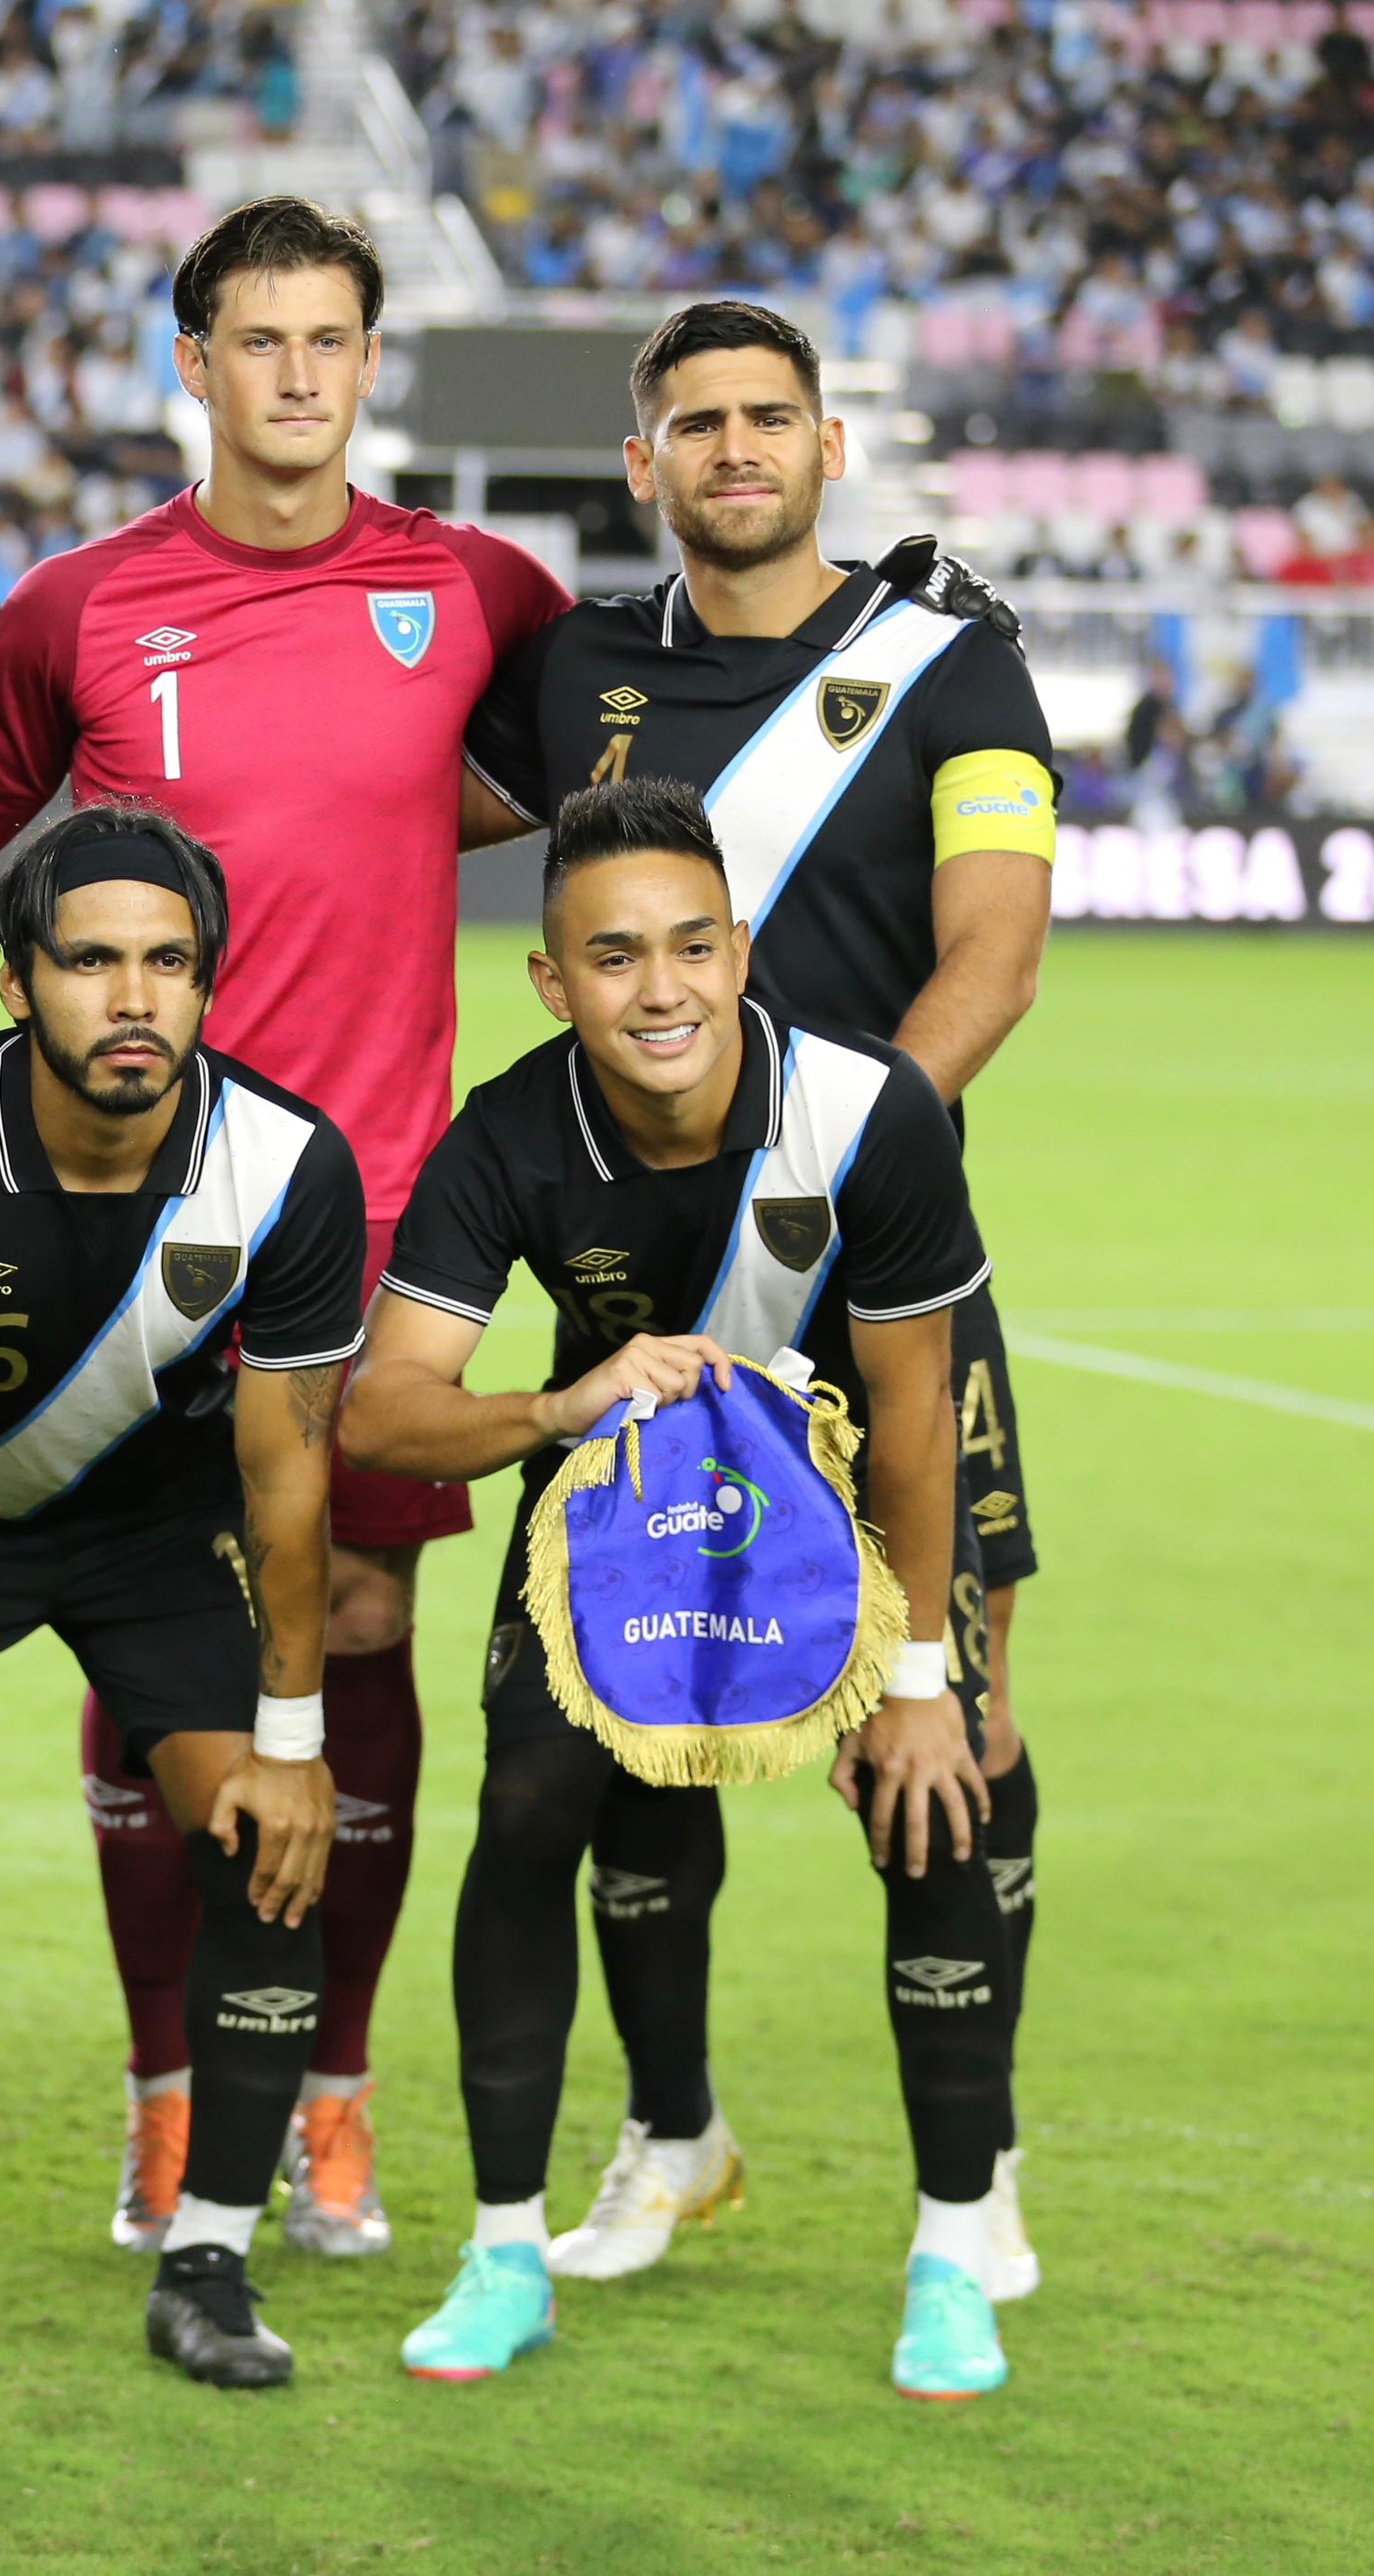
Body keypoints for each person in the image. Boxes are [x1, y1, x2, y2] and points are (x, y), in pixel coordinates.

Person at [0, 194, 568, 2262]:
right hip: (128, 1218)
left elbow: (582, 768)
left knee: (354, 1629)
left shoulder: (476, 592)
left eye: (328, 339)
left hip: (378, 1220)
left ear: (370, 361)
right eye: (256, 340)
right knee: (155, 1642)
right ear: (190, 365)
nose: (295, 374)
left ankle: (334, 2096)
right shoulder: (80, 608)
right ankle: (170, 2095)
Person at [463, 299, 1057, 2295]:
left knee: (950, 1727)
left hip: (881, 1285)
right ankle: (671, 2132)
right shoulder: (578, 674)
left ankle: (973, 2184)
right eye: (697, 422)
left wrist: (830, 1174)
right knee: (635, 1723)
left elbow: (992, 960)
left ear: (827, 446)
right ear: (643, 464)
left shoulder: (951, 666)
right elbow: (388, 817)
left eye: (769, 417)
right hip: (642, 1312)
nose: (736, 448)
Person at [345, 777, 1014, 2403]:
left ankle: (955, 2253)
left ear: (742, 950)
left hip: (859, 1483)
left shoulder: (869, 1112)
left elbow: (916, 1416)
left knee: (936, 1799)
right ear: (551, 980)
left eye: (695, 947)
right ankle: (507, 2253)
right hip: (629, 1488)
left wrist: (914, 1681)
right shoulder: (510, 1134)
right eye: (616, 955)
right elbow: (381, 1409)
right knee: (532, 1806)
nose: (664, 990)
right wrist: (553, 1408)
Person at [0, 802, 360, 2388]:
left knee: (266, 1850)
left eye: (169, 964)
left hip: (156, 1531)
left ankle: (211, 2265)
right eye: (92, 962)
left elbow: (289, 1475)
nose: (133, 999)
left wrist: (294, 1740)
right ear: (16, 983)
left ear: (208, 984)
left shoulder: (286, 1164)